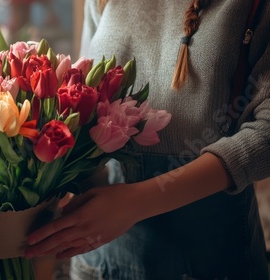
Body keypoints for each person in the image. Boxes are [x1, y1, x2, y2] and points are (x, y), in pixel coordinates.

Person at [24, 0, 270, 279]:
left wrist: (136, 203)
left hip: (209, 259)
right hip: (100, 262)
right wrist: (16, 206)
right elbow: (81, 105)